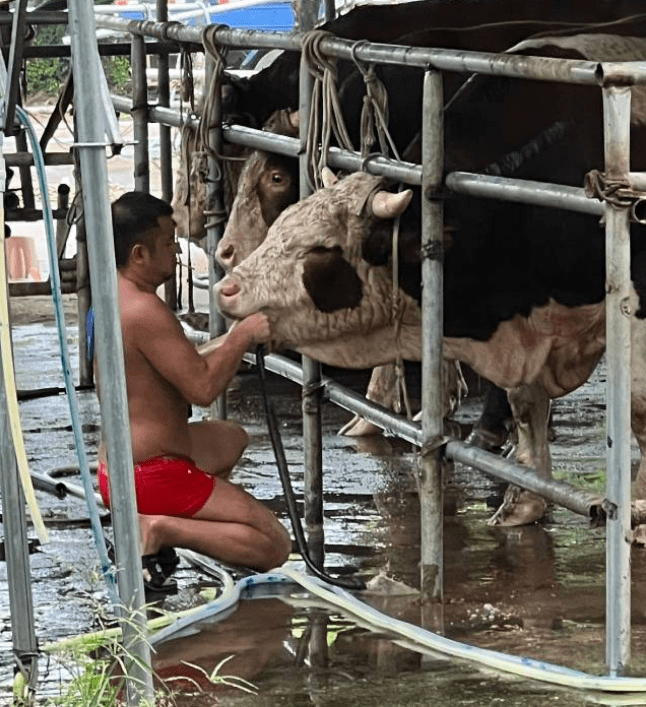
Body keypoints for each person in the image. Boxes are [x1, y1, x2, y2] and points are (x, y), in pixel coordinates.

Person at [96, 191, 291, 592]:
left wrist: (234, 341)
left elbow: (175, 363)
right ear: (139, 255)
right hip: (150, 473)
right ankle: (161, 528)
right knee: (274, 544)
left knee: (231, 438)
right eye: (168, 244)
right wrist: (242, 335)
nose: (176, 252)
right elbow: (202, 387)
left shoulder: (112, 294)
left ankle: (172, 526)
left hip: (116, 466)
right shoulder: (145, 312)